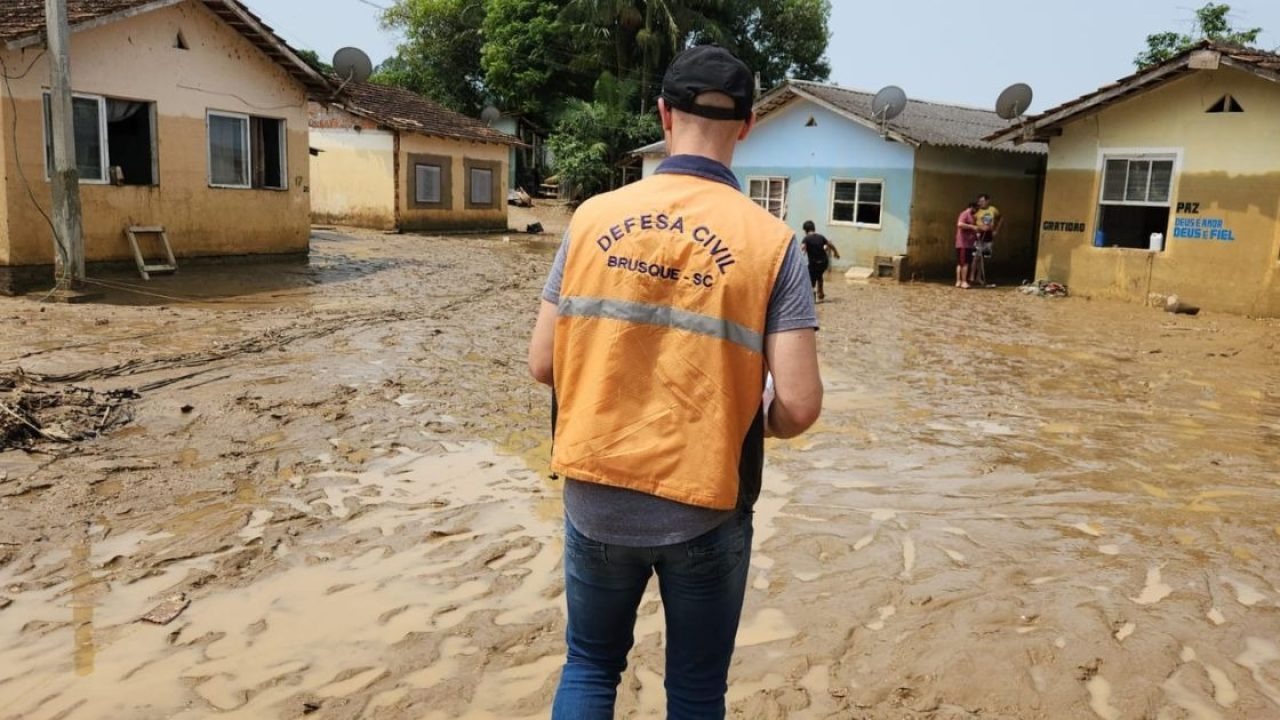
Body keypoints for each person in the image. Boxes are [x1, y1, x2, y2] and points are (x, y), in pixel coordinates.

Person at [527, 44, 823, 720]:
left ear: (663, 113)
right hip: (707, 502)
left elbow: (544, 364)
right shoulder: (772, 242)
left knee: (591, 666)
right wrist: (753, 412)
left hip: (595, 494)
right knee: (693, 691)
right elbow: (800, 406)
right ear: (747, 125)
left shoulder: (592, 218)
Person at [801, 220, 840, 303]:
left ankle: (813, 295)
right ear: (814, 228)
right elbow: (830, 244)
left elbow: (802, 247)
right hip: (824, 263)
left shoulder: (806, 238)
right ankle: (821, 293)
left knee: (810, 279)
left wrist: (802, 252)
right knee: (819, 274)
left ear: (806, 230)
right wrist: (836, 253)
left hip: (814, 264)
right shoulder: (821, 237)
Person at [971, 193, 1001, 285]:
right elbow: (972, 223)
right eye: (979, 201)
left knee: (982, 258)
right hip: (979, 235)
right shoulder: (976, 211)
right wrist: (977, 230)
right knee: (976, 257)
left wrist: (996, 230)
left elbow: (1000, 218)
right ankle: (971, 276)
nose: (981, 203)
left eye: (982, 201)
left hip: (988, 236)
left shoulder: (993, 209)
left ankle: (979, 277)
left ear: (988, 201)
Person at [956, 200, 981, 289]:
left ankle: (959, 281)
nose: (977, 211)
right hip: (963, 243)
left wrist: (976, 232)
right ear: (972, 207)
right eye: (977, 209)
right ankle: (963, 281)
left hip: (969, 243)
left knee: (961, 263)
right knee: (965, 263)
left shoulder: (972, 216)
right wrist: (972, 227)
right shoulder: (965, 214)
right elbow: (960, 224)